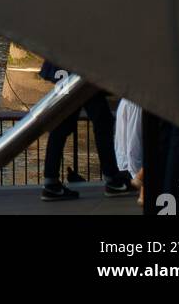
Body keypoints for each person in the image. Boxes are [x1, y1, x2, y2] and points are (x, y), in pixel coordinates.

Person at [37, 61, 135, 201]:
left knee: (64, 125)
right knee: (102, 122)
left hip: (70, 71)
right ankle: (112, 179)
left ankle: (51, 181)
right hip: (82, 72)